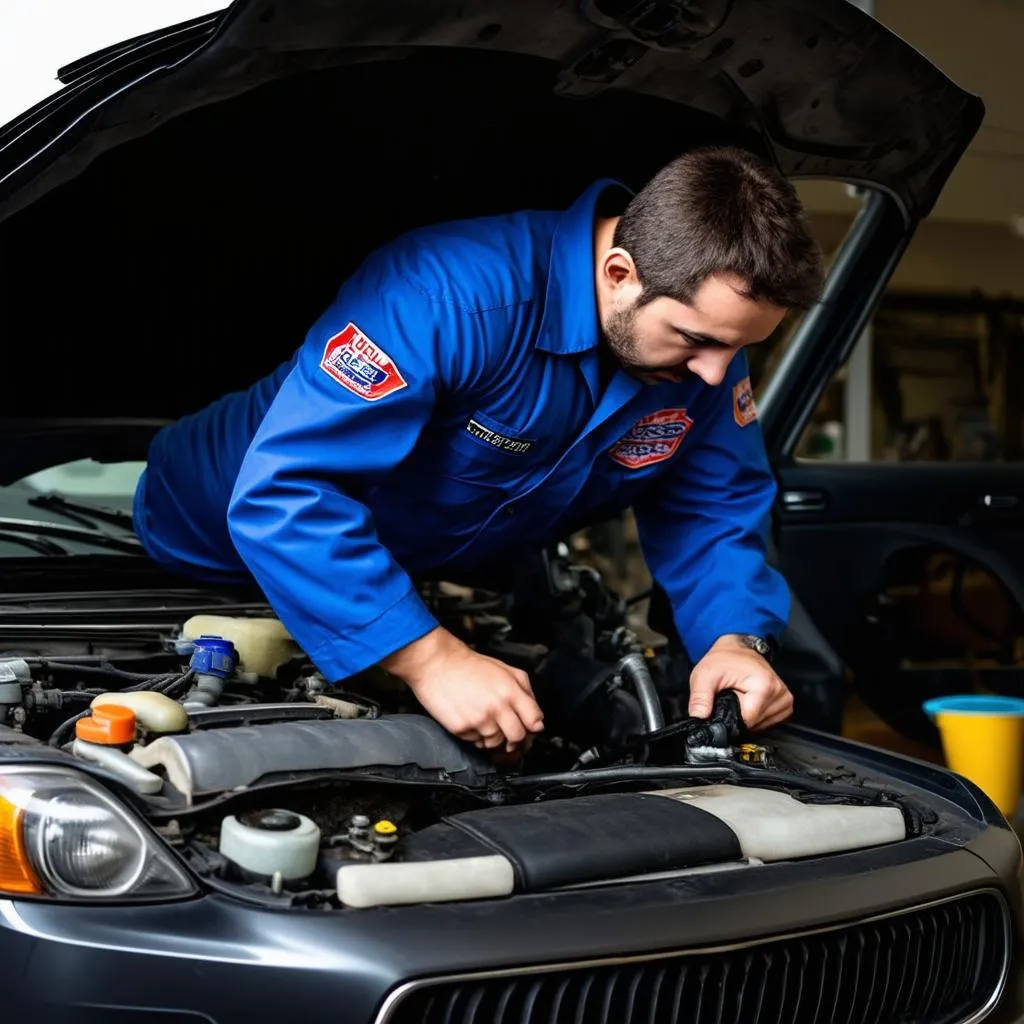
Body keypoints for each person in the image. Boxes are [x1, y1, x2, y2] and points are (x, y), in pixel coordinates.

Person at [133, 146, 824, 753]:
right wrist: (431, 660)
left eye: (739, 348)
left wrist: (736, 638)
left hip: (417, 570)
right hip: (202, 539)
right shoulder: (446, 295)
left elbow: (716, 507)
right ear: (620, 272)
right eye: (698, 340)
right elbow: (288, 492)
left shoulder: (701, 346)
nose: (717, 372)